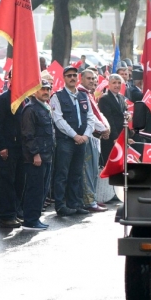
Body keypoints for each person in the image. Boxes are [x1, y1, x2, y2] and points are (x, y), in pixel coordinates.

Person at [49, 65, 94, 217]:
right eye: (69, 76)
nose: (72, 78)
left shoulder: (84, 96)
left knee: (77, 173)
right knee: (62, 174)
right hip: (66, 141)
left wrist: (86, 135)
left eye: (74, 75)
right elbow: (58, 120)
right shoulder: (57, 96)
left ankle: (75, 204)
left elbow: (90, 118)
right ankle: (61, 205)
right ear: (64, 78)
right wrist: (75, 135)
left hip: (82, 140)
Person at [20, 80, 56, 230]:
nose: (46, 92)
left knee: (42, 189)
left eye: (48, 89)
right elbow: (28, 135)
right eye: (42, 89)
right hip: (36, 157)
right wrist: (35, 154)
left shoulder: (44, 107)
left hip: (46, 155)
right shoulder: (30, 109)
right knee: (35, 189)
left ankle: (35, 218)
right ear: (35, 91)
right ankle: (30, 220)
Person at [0, 76, 26, 229]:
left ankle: (15, 211)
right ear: (10, 80)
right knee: (7, 182)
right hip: (8, 147)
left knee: (19, 181)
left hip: (21, 147)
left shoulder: (24, 99)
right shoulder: (3, 99)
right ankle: (7, 216)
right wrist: (2, 147)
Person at [79, 69, 110, 212]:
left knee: (93, 170)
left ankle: (93, 198)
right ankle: (89, 201)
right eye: (89, 78)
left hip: (95, 137)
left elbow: (99, 114)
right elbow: (91, 117)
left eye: (94, 78)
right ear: (81, 79)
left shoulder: (89, 94)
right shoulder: (81, 93)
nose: (92, 81)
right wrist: (104, 129)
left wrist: (105, 127)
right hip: (88, 136)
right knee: (88, 170)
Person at [98, 74, 128, 167]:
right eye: (114, 83)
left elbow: (123, 114)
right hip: (110, 137)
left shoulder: (121, 97)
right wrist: (115, 137)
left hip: (121, 135)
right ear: (109, 84)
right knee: (109, 164)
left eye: (119, 83)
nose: (117, 85)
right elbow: (109, 119)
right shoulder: (104, 98)